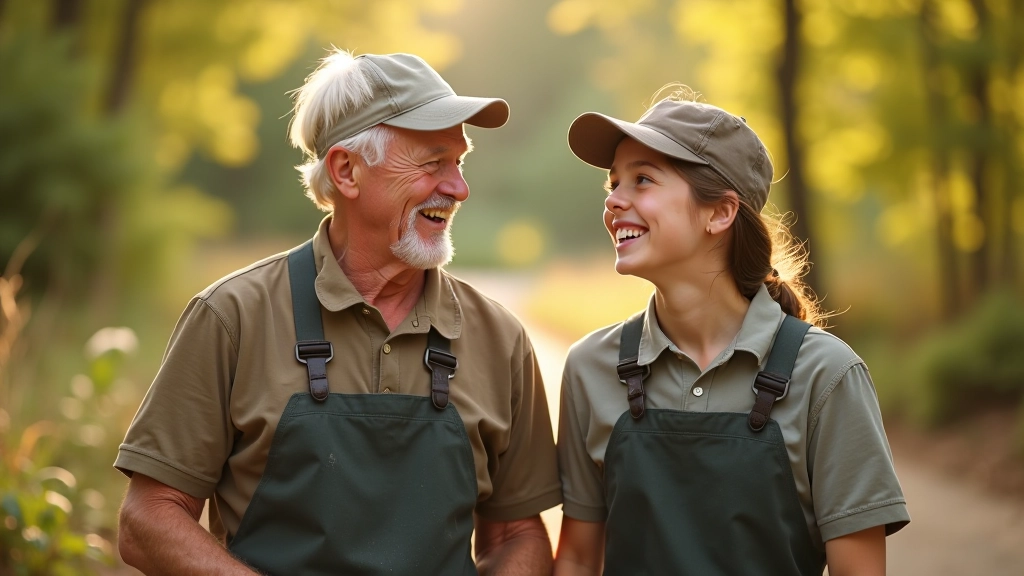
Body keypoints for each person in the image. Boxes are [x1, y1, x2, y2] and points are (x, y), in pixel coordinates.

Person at [114, 50, 561, 576]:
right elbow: (148, 519)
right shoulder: (232, 317)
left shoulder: (500, 337)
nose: (458, 188)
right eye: (431, 162)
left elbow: (517, 534)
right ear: (346, 171)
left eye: (459, 162)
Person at [552, 89, 910, 575]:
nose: (615, 200)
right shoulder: (590, 367)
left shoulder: (828, 375)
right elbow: (575, 558)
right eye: (613, 183)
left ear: (720, 213)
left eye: (642, 180)